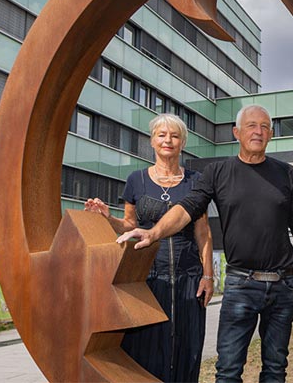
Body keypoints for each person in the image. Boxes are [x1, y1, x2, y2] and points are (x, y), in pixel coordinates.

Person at [118, 104, 293, 383]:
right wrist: (154, 233)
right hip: (240, 286)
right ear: (237, 132)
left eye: (264, 126)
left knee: (275, 368)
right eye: (251, 125)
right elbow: (186, 208)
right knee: (227, 371)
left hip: (282, 286)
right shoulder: (218, 172)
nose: (258, 132)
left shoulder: (285, 173)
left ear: (271, 134)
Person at [85, 113, 214, 382]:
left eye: (175, 135)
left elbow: (203, 232)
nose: (168, 140)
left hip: (188, 278)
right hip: (147, 280)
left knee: (187, 350)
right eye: (162, 135)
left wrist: (208, 275)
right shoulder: (136, 180)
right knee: (145, 352)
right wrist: (108, 218)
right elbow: (129, 225)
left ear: (183, 142)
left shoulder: (196, 181)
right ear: (152, 141)